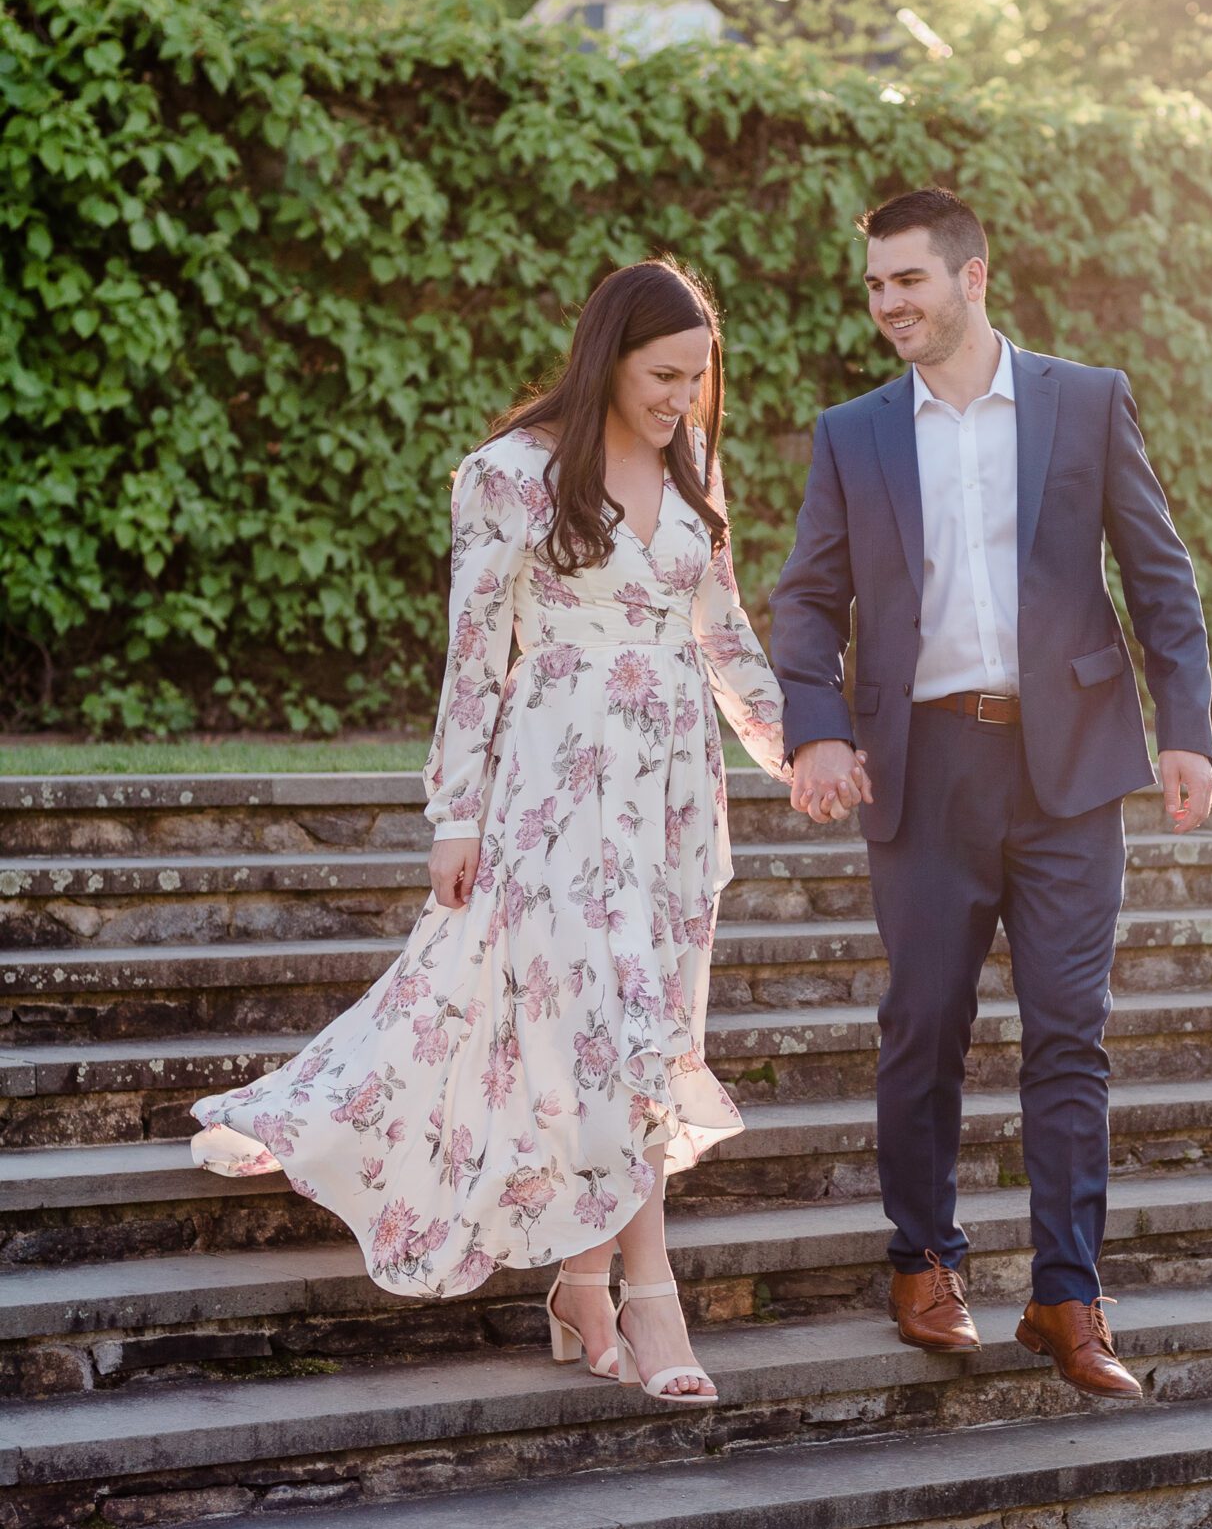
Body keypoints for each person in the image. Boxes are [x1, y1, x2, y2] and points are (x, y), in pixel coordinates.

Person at [192, 261, 848, 1403]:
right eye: (662, 375)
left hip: (671, 799)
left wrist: (796, 744)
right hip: (554, 789)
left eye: (698, 378)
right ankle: (650, 1299)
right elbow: (473, 655)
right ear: (605, 357)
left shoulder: (691, 468)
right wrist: (452, 814)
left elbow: (725, 632)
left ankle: (581, 1285)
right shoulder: (508, 477)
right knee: (615, 1028)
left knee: (640, 1027)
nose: (683, 399)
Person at [770, 188, 1212, 1399]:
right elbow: (806, 600)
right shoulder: (852, 432)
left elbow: (1156, 572)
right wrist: (813, 730)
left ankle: (1068, 1296)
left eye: (905, 281)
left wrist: (1186, 731)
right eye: (872, 287)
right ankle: (922, 1261)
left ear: (972, 277)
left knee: (1070, 1033)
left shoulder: (1084, 399)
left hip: (1069, 768)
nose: (886, 306)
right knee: (924, 1027)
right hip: (921, 767)